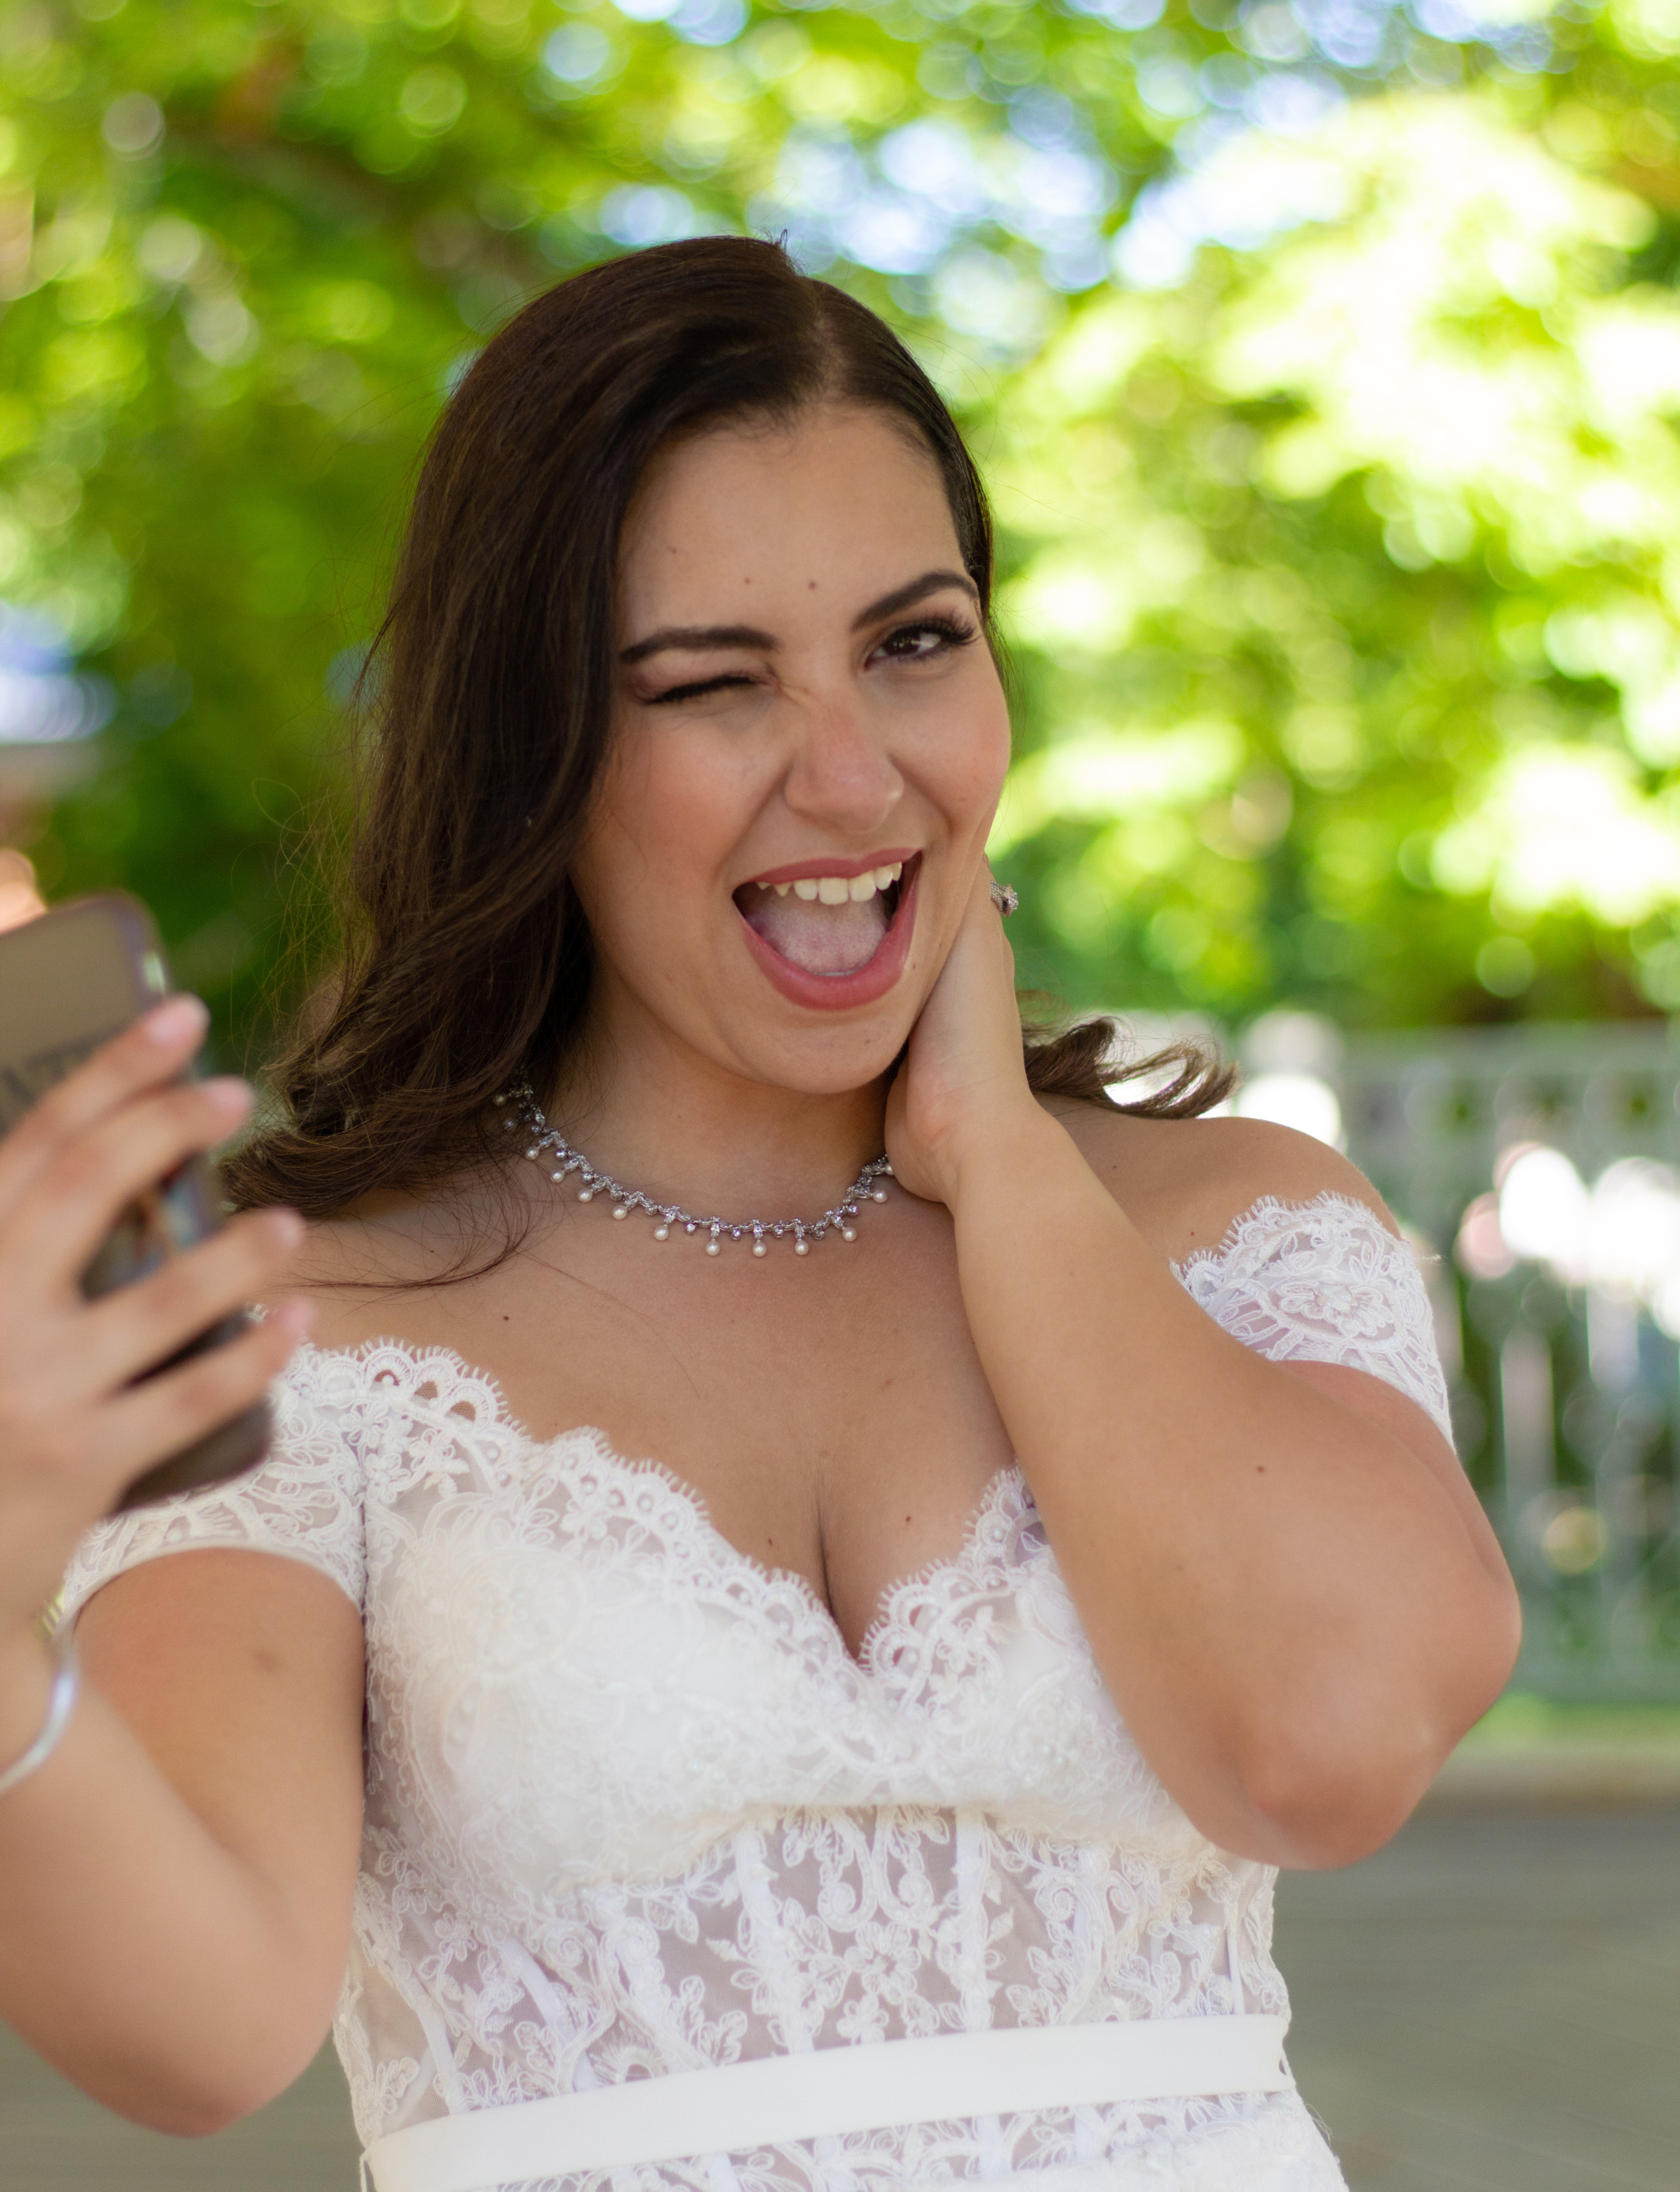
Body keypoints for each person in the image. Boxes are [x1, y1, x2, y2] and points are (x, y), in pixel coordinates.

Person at [0, 239, 1519, 2192]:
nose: (850, 769)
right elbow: (201, 2032)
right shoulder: (321, 1327)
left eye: (914, 642)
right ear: (531, 749)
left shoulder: (1242, 1223)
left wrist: (1000, 1156)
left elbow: (1327, 1741)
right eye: (714, 684)